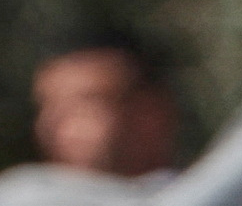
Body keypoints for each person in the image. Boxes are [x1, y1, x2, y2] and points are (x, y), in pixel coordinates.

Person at [30, 29, 184, 178]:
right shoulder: (22, 197)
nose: (52, 124)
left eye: (82, 104)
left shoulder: (197, 195)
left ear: (150, 114)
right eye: (47, 107)